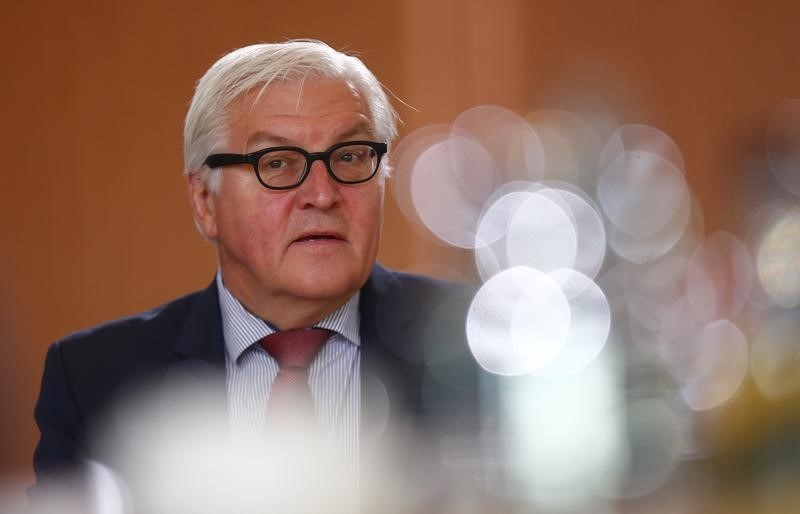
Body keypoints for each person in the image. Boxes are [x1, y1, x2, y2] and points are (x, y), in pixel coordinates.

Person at [32, 40, 482, 512]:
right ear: (205, 200)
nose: (322, 195)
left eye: (349, 156)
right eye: (278, 163)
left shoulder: (475, 346)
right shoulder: (92, 379)